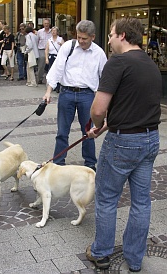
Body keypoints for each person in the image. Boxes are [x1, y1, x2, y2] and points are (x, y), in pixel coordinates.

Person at [85, 17, 161, 272]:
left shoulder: (117, 62)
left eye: (110, 34)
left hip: (123, 142)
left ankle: (102, 252)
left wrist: (97, 122)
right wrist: (106, 125)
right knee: (141, 202)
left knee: (106, 199)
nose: (107, 39)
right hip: (150, 139)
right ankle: (135, 258)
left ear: (123, 36)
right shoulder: (150, 64)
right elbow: (132, 107)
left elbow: (98, 108)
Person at [43, 20, 107, 171]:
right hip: (66, 93)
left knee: (89, 132)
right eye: (79, 37)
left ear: (93, 37)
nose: (81, 41)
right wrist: (48, 91)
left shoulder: (99, 53)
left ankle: (90, 164)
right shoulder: (68, 46)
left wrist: (102, 102)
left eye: (84, 38)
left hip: (87, 95)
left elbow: (104, 79)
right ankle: (58, 164)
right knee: (62, 131)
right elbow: (57, 69)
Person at [45, 26, 64, 93]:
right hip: (51, 57)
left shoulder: (60, 39)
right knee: (51, 71)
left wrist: (61, 44)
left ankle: (58, 87)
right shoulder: (49, 40)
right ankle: (51, 86)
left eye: (55, 30)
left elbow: (65, 48)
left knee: (58, 71)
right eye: (52, 31)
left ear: (57, 32)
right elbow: (46, 49)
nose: (53, 32)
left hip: (58, 57)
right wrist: (46, 58)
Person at [37, 19, 52, 84]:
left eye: (47, 23)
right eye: (45, 23)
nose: (46, 25)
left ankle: (50, 79)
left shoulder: (52, 32)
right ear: (43, 24)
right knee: (41, 65)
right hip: (42, 50)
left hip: (50, 50)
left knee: (51, 65)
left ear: (49, 24)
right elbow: (37, 41)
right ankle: (40, 78)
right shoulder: (40, 32)